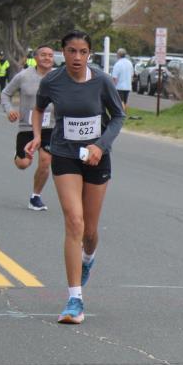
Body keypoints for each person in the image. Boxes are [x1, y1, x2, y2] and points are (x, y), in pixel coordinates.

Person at [25, 30, 125, 325]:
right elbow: (38, 109)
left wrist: (100, 146)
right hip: (65, 154)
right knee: (74, 222)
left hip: (96, 157)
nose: (77, 57)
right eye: (71, 51)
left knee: (90, 233)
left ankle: (88, 259)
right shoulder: (52, 81)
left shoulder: (102, 81)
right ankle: (74, 300)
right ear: (63, 53)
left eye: (83, 52)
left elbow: (118, 116)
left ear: (89, 54)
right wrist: (37, 136)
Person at [1, 44, 56, 211]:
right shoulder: (23, 76)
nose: (47, 58)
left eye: (50, 55)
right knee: (23, 163)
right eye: (43, 55)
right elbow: (5, 93)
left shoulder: (59, 77)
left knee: (46, 161)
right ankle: (18, 156)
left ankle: (35, 197)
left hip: (49, 126)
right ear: (36, 57)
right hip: (28, 126)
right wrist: (9, 110)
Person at [110, 48, 133, 113]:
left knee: (120, 101)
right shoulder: (129, 63)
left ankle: (122, 113)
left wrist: (112, 86)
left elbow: (114, 77)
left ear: (118, 55)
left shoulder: (118, 64)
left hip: (119, 86)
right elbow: (132, 74)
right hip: (128, 86)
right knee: (125, 101)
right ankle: (124, 113)